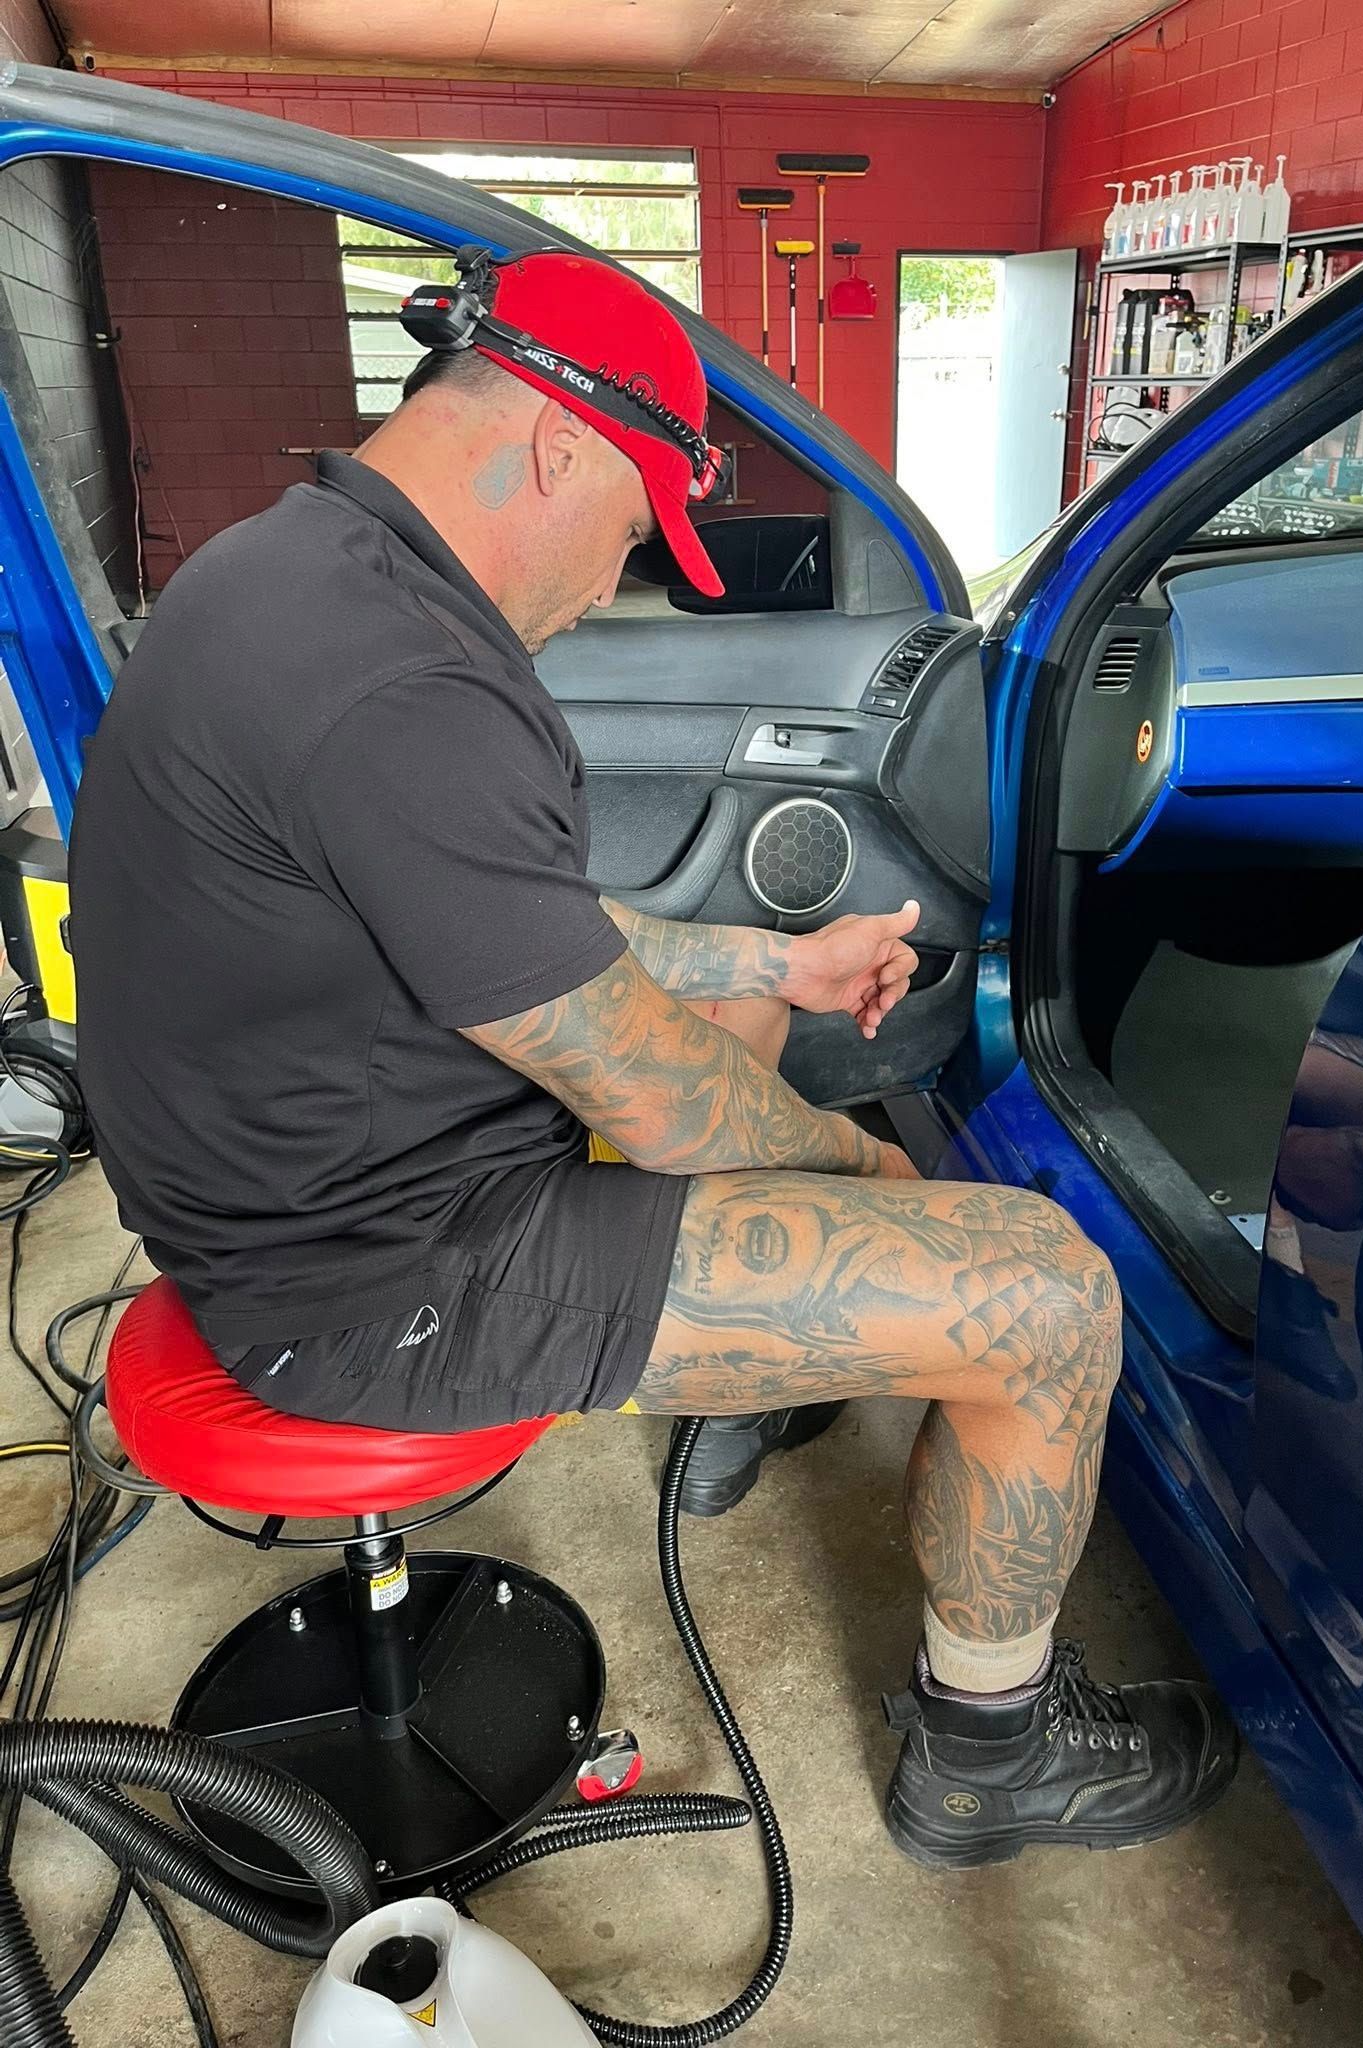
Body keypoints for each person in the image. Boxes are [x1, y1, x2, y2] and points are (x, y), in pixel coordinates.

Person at [70, 247, 1237, 1868]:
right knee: (1043, 1297)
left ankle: (754, 1382)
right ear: (556, 443)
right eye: (632, 535)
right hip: (368, 1270)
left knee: (750, 1034)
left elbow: (520, 929)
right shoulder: (403, 681)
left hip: (323, 1170)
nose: (612, 582)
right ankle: (992, 1752)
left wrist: (777, 958)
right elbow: (643, 1087)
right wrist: (879, 1179)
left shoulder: (303, 572)